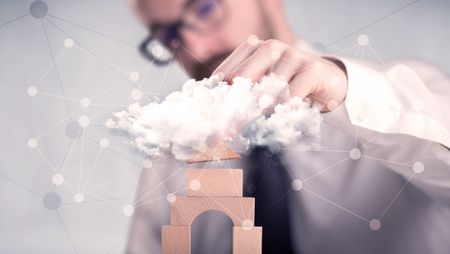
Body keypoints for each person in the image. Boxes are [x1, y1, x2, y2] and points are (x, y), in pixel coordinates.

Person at [126, 0, 450, 253]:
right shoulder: (172, 159)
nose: (194, 49)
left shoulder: (401, 97)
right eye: (168, 37)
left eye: (205, 7)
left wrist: (342, 90)